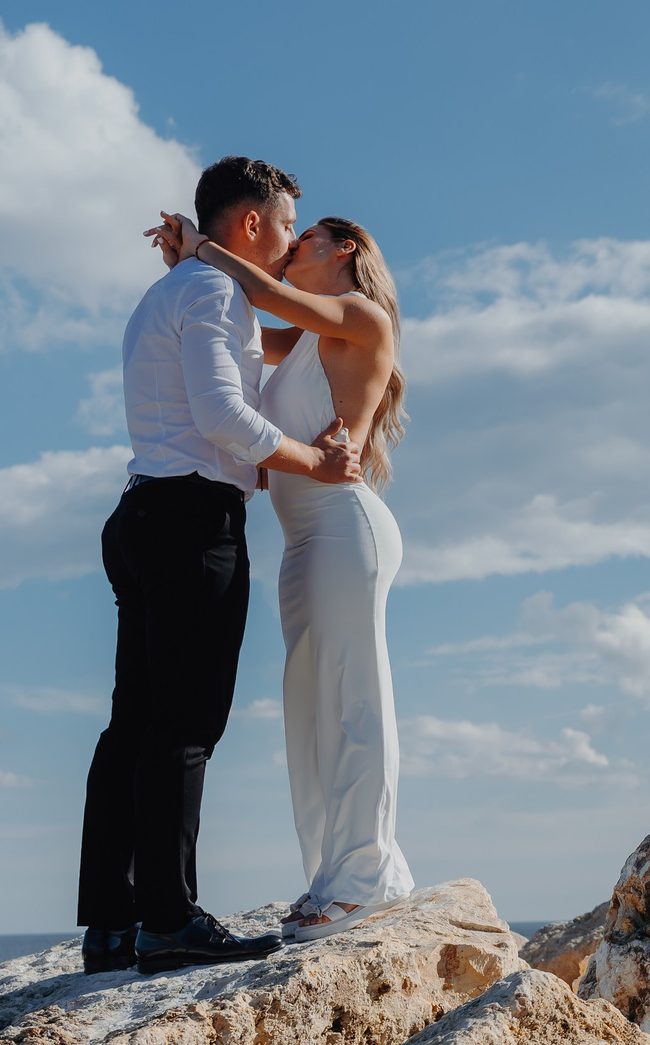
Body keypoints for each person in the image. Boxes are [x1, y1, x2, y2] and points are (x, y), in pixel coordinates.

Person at [80, 157, 365, 977]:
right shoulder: (213, 293)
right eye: (283, 225)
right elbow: (222, 415)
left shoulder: (169, 292)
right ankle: (168, 920)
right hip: (187, 517)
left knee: (132, 722)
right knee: (185, 724)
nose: (285, 240)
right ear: (251, 224)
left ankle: (111, 921)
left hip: (141, 512)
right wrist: (320, 462)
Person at [150, 206, 416, 942]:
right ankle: (332, 876)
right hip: (303, 541)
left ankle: (369, 876)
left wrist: (206, 248)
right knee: (311, 709)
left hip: (344, 529)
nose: (288, 249)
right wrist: (187, 270)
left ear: (346, 248)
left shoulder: (359, 314)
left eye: (303, 241)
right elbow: (241, 326)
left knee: (356, 699)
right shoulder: (303, 340)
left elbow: (263, 297)